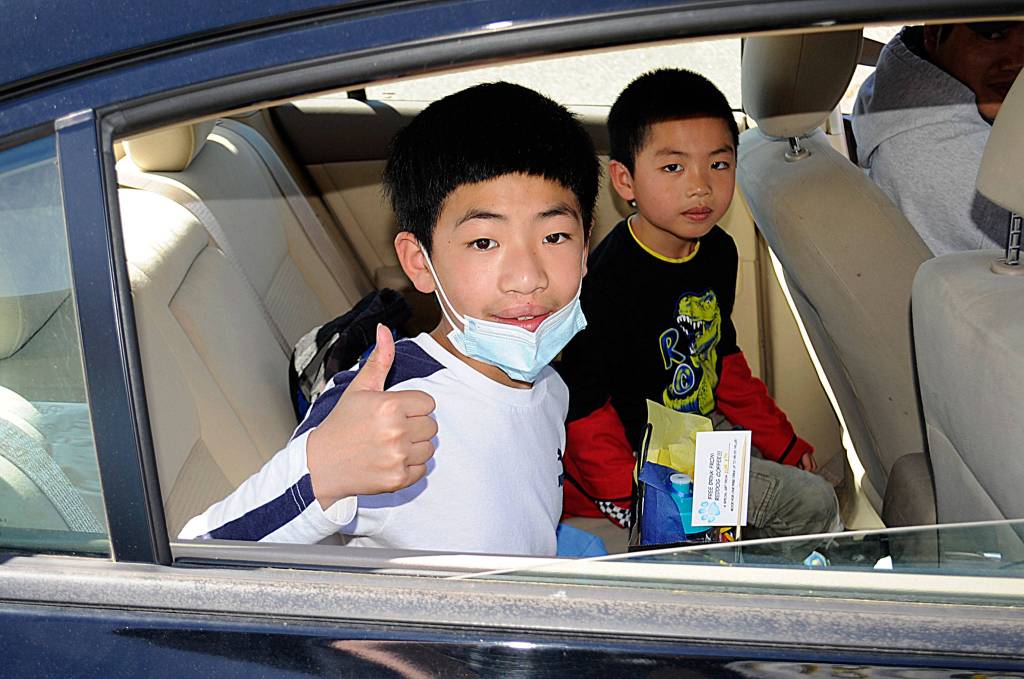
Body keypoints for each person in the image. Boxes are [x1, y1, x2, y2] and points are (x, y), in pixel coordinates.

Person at [179, 83, 600, 555]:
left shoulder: (548, 383)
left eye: (555, 237)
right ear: (420, 263)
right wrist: (325, 471)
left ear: (586, 248)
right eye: (484, 242)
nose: (527, 277)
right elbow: (196, 553)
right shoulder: (384, 406)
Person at [556, 69, 838, 548]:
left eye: (719, 164)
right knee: (812, 502)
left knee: (799, 485)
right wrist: (630, 496)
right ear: (625, 180)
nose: (701, 187)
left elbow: (720, 359)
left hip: (703, 433)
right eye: (673, 168)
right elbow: (584, 404)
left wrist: (782, 442)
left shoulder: (717, 252)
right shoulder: (605, 283)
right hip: (647, 460)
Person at [853, 22, 1024, 256]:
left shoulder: (897, 73)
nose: (1016, 61)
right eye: (994, 35)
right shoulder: (965, 165)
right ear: (933, 32)